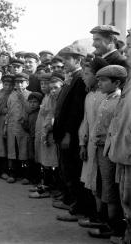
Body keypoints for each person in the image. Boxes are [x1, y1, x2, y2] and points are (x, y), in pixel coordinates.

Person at [52, 44, 92, 222]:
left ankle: (79, 208)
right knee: (66, 169)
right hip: (64, 133)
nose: (63, 63)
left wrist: (68, 134)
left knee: (73, 171)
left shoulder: (79, 79)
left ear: (78, 60)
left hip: (72, 135)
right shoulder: (71, 78)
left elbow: (75, 111)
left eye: (67, 59)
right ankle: (71, 201)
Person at [87, 65, 125, 240]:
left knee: (111, 188)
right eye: (99, 80)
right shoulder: (106, 99)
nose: (99, 83)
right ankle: (104, 220)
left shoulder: (119, 101)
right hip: (100, 148)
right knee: (102, 184)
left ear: (116, 82)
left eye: (103, 80)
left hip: (110, 150)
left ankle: (114, 226)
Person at [104, 32, 131, 243]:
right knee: (126, 200)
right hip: (123, 152)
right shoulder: (128, 82)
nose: (127, 52)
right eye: (128, 47)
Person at [78, 57, 109, 228]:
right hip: (90, 145)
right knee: (91, 180)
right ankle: (95, 215)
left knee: (100, 181)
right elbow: (86, 122)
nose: (83, 76)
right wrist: (82, 143)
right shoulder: (89, 96)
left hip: (101, 146)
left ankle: (102, 219)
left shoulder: (105, 97)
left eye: (87, 73)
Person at [5, 73, 31, 183]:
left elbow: (30, 110)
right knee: (12, 150)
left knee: (24, 150)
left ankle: (25, 174)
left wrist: (23, 99)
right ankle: (12, 173)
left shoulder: (30, 95)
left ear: (27, 83)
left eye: (22, 82)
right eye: (17, 82)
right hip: (12, 126)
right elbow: (8, 112)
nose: (19, 84)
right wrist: (5, 126)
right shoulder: (11, 95)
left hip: (24, 128)